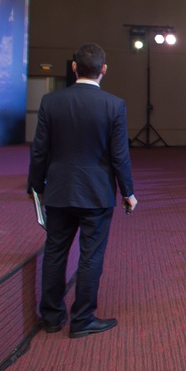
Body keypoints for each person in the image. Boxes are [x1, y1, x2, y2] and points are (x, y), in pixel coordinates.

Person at [28, 43, 136, 339]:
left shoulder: (51, 101)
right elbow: (119, 155)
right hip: (96, 192)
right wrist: (128, 192)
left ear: (73, 67)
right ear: (104, 69)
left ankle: (51, 317)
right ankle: (82, 319)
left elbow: (39, 150)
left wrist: (35, 187)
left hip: (59, 190)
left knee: (55, 252)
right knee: (91, 256)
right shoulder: (114, 105)